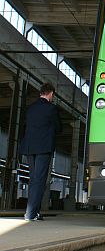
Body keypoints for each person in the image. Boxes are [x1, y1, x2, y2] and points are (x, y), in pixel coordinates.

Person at [19, 83, 61, 221]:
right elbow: (58, 127)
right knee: (39, 180)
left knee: (33, 179)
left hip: (30, 148)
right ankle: (30, 213)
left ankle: (34, 212)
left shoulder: (30, 109)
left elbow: (24, 127)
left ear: (40, 93)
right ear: (51, 94)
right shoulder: (52, 108)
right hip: (44, 148)